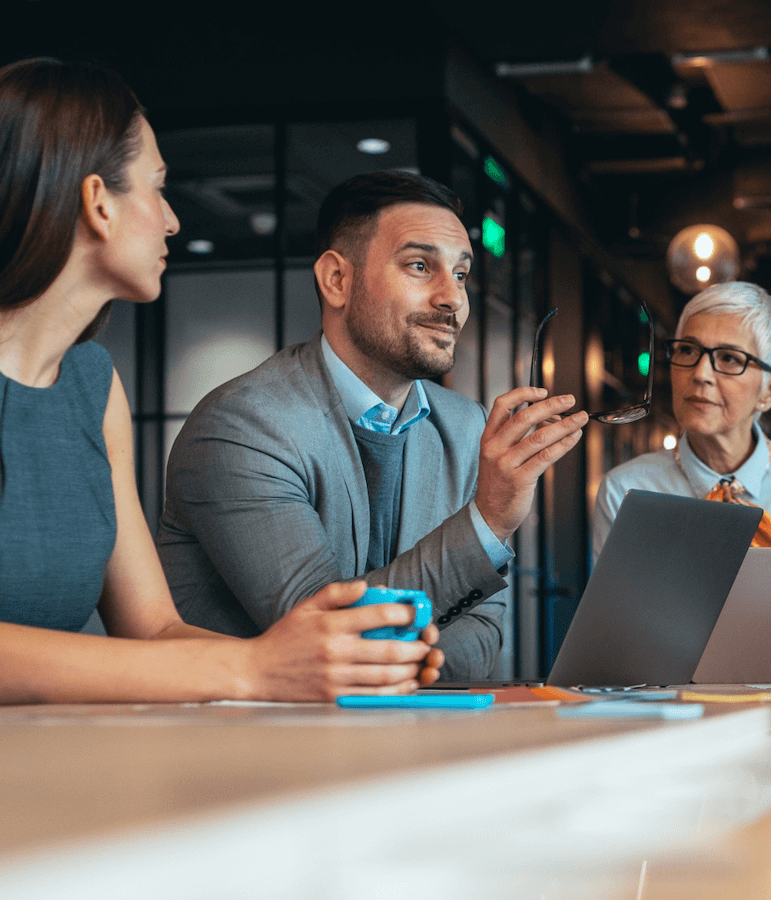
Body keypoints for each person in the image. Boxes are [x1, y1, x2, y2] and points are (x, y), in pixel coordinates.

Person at [0, 57, 443, 703]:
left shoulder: (91, 386)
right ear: (98, 201)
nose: (172, 220)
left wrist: (322, 663)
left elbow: (151, 629)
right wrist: (253, 671)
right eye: (155, 187)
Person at [156, 171, 588, 680]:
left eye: (462, 274)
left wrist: (395, 661)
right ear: (337, 280)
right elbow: (334, 635)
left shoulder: (467, 425)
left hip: (410, 743)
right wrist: (488, 522)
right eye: (420, 266)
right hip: (254, 747)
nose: (452, 298)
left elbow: (486, 631)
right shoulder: (243, 426)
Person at [591, 281, 771, 557]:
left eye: (730, 358)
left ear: (770, 392)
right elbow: (614, 602)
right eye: (688, 350)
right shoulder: (625, 490)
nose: (700, 373)